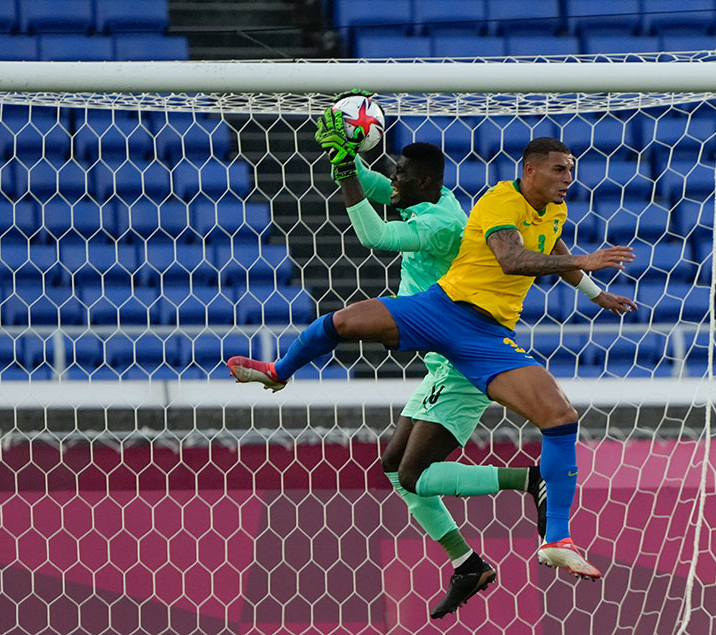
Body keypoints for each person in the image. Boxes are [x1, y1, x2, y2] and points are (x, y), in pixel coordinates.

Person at [228, 116, 635, 597]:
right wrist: (346, 163)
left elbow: (550, 245)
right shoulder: (500, 200)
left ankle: (557, 537)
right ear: (529, 170)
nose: (569, 177)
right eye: (560, 169)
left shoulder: (547, 209)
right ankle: (279, 371)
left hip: (483, 336)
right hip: (440, 309)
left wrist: (592, 291)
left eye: (572, 169)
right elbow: (511, 258)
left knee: (559, 415)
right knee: (341, 323)